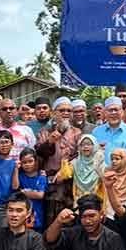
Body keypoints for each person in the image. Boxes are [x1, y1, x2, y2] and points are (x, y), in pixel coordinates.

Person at [35, 97, 80, 226]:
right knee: (51, 220)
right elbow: (38, 154)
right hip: (51, 183)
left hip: (70, 182)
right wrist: (50, 142)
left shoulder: (77, 133)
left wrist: (65, 170)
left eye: (69, 110)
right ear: (54, 113)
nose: (65, 113)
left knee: (70, 219)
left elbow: (80, 156)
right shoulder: (44, 132)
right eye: (62, 110)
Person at [91, 97, 126, 169]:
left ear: (122, 112)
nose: (113, 113)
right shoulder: (96, 132)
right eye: (110, 110)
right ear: (105, 113)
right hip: (102, 177)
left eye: (116, 110)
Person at [62, 134, 104, 203]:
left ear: (95, 146)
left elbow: (105, 181)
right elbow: (66, 175)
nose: (85, 147)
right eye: (82, 145)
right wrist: (64, 160)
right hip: (79, 199)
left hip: (97, 199)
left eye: (89, 144)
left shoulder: (100, 163)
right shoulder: (75, 162)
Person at [12, 148, 47, 230]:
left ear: (35, 161)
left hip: (38, 215)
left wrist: (24, 192)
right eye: (24, 162)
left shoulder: (41, 176)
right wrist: (16, 169)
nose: (27, 164)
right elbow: (15, 187)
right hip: (22, 216)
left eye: (30, 161)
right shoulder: (20, 176)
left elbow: (40, 195)